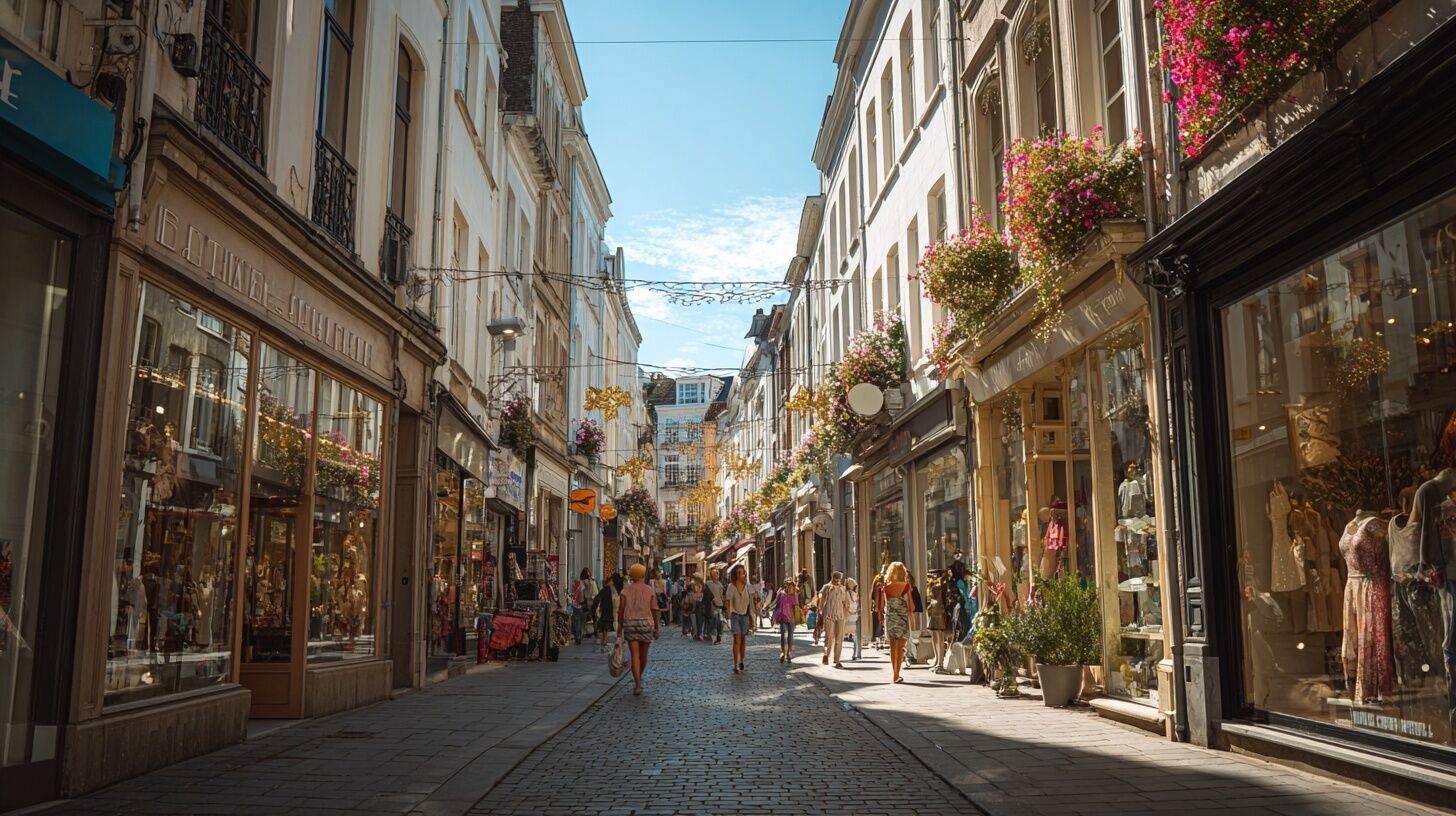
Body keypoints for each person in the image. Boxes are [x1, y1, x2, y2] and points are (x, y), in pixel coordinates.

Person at [618, 563, 660, 696]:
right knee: (644, 655)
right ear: (643, 575)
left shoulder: (625, 591)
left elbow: (621, 610)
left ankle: (637, 684)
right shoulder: (649, 590)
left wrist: (619, 627)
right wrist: (656, 628)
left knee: (634, 655)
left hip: (630, 623)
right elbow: (654, 609)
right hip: (646, 624)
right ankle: (638, 677)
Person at [877, 561, 915, 684]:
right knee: (900, 647)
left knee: (893, 647)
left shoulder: (886, 587)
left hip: (890, 619)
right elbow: (911, 606)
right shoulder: (906, 586)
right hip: (902, 619)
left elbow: (883, 606)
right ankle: (897, 674)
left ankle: (894, 674)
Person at [723, 564, 757, 674]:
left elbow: (754, 599)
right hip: (735, 615)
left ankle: (741, 660)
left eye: (742, 572)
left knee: (743, 639)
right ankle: (735, 663)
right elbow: (728, 600)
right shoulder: (731, 586)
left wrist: (754, 615)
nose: (741, 575)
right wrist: (728, 613)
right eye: (739, 573)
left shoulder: (748, 586)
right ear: (735, 574)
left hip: (745, 615)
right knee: (737, 639)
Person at [818, 572, 852, 668]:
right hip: (829, 615)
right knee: (828, 637)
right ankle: (826, 655)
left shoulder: (843, 588)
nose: (837, 580)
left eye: (838, 579)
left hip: (840, 615)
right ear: (832, 577)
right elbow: (821, 600)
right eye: (835, 578)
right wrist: (820, 612)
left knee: (839, 638)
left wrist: (847, 607)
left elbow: (846, 602)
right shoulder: (826, 587)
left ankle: (837, 660)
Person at [773, 578, 800, 663]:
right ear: (786, 586)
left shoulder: (795, 595)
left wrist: (795, 618)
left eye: (791, 586)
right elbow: (776, 604)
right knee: (782, 635)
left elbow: (796, 606)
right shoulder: (781, 594)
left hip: (791, 618)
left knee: (790, 636)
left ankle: (788, 653)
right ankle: (782, 653)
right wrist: (773, 616)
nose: (789, 588)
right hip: (782, 617)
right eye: (788, 586)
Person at [594, 573, 623, 652]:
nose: (612, 583)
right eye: (611, 581)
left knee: (606, 628)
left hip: (609, 611)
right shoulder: (607, 590)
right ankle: (604, 642)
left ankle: (605, 642)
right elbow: (598, 599)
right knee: (605, 627)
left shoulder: (610, 590)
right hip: (607, 611)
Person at [570, 568, 598, 645]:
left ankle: (579, 637)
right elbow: (596, 593)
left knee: (579, 621)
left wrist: (578, 601)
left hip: (582, 603)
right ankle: (594, 632)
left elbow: (580, 594)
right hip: (591, 603)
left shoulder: (581, 582)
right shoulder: (593, 582)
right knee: (591, 619)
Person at [703, 567, 725, 644]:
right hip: (712, 606)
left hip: (719, 606)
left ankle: (719, 636)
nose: (717, 575)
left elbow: (722, 595)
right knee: (713, 622)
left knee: (720, 622)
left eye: (717, 573)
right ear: (712, 575)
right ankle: (714, 637)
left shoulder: (720, 584)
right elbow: (705, 595)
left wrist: (724, 603)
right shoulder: (708, 584)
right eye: (715, 573)